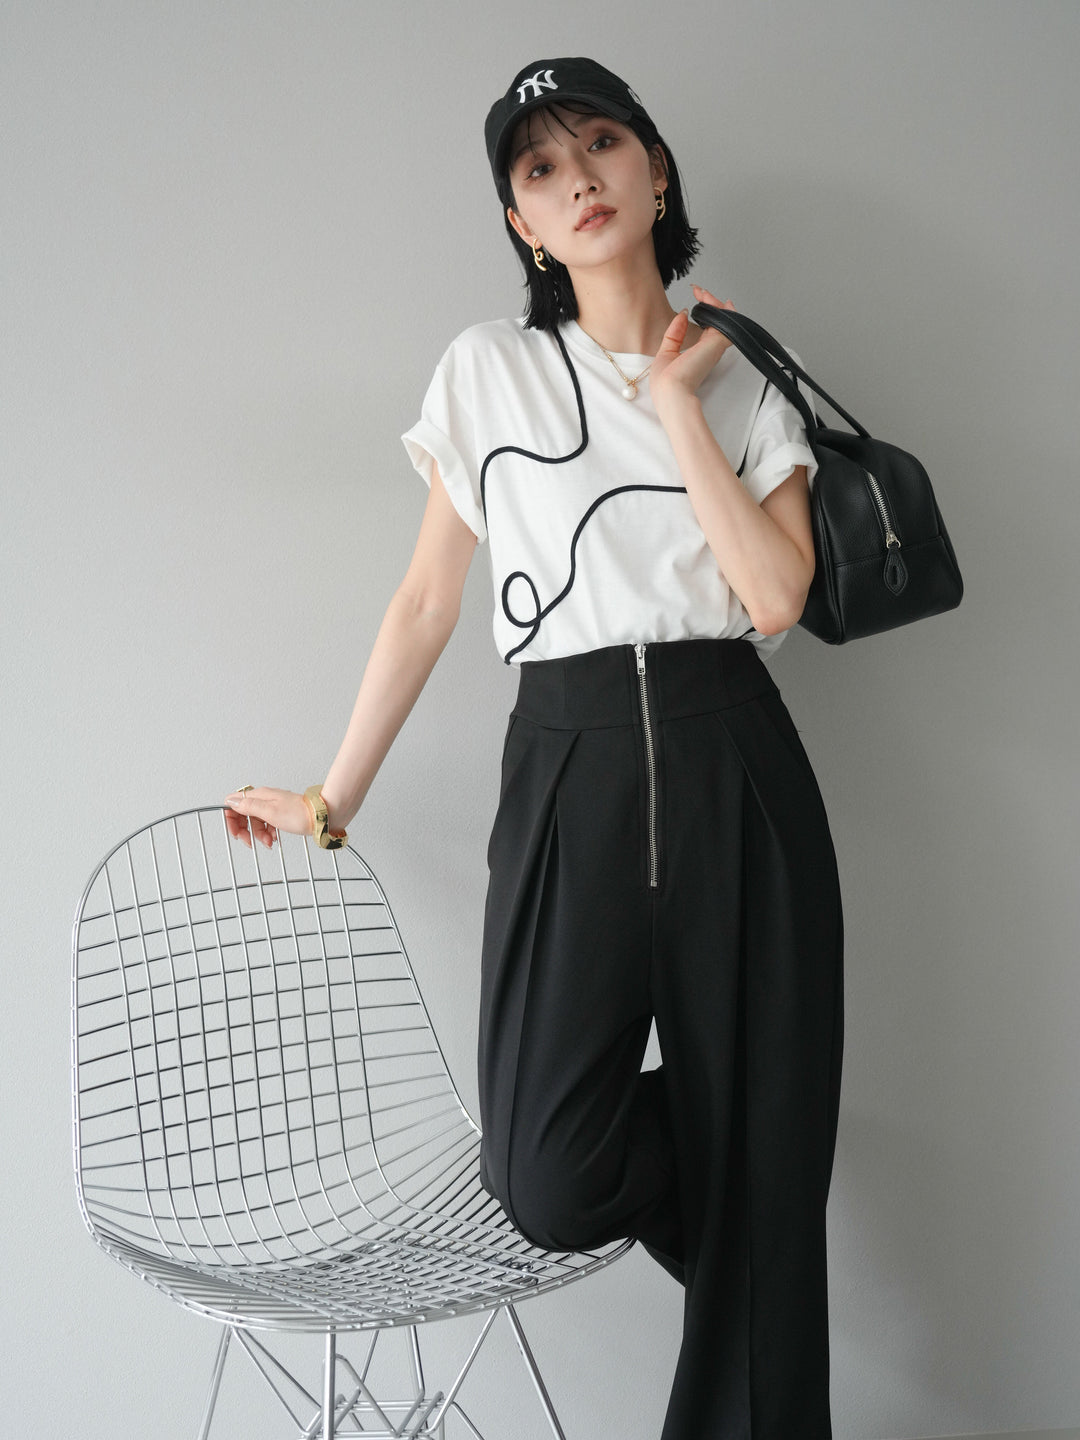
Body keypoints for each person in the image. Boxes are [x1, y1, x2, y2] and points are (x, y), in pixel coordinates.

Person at [224, 56, 844, 1440]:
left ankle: (760, 1177)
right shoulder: (487, 372)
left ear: (656, 171)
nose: (579, 181)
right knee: (548, 1170)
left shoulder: (744, 378)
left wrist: (678, 406)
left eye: (603, 144)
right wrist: (333, 796)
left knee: (764, 1176)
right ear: (521, 221)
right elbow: (426, 602)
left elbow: (775, 597)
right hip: (567, 770)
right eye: (541, 169)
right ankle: (755, 1168)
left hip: (735, 767)